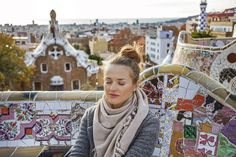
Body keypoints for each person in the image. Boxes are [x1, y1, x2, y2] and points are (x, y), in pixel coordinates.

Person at [66, 44, 159, 157]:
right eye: (108, 82)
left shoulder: (148, 122)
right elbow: (78, 153)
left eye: (121, 83)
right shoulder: (91, 115)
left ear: (135, 85)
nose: (112, 88)